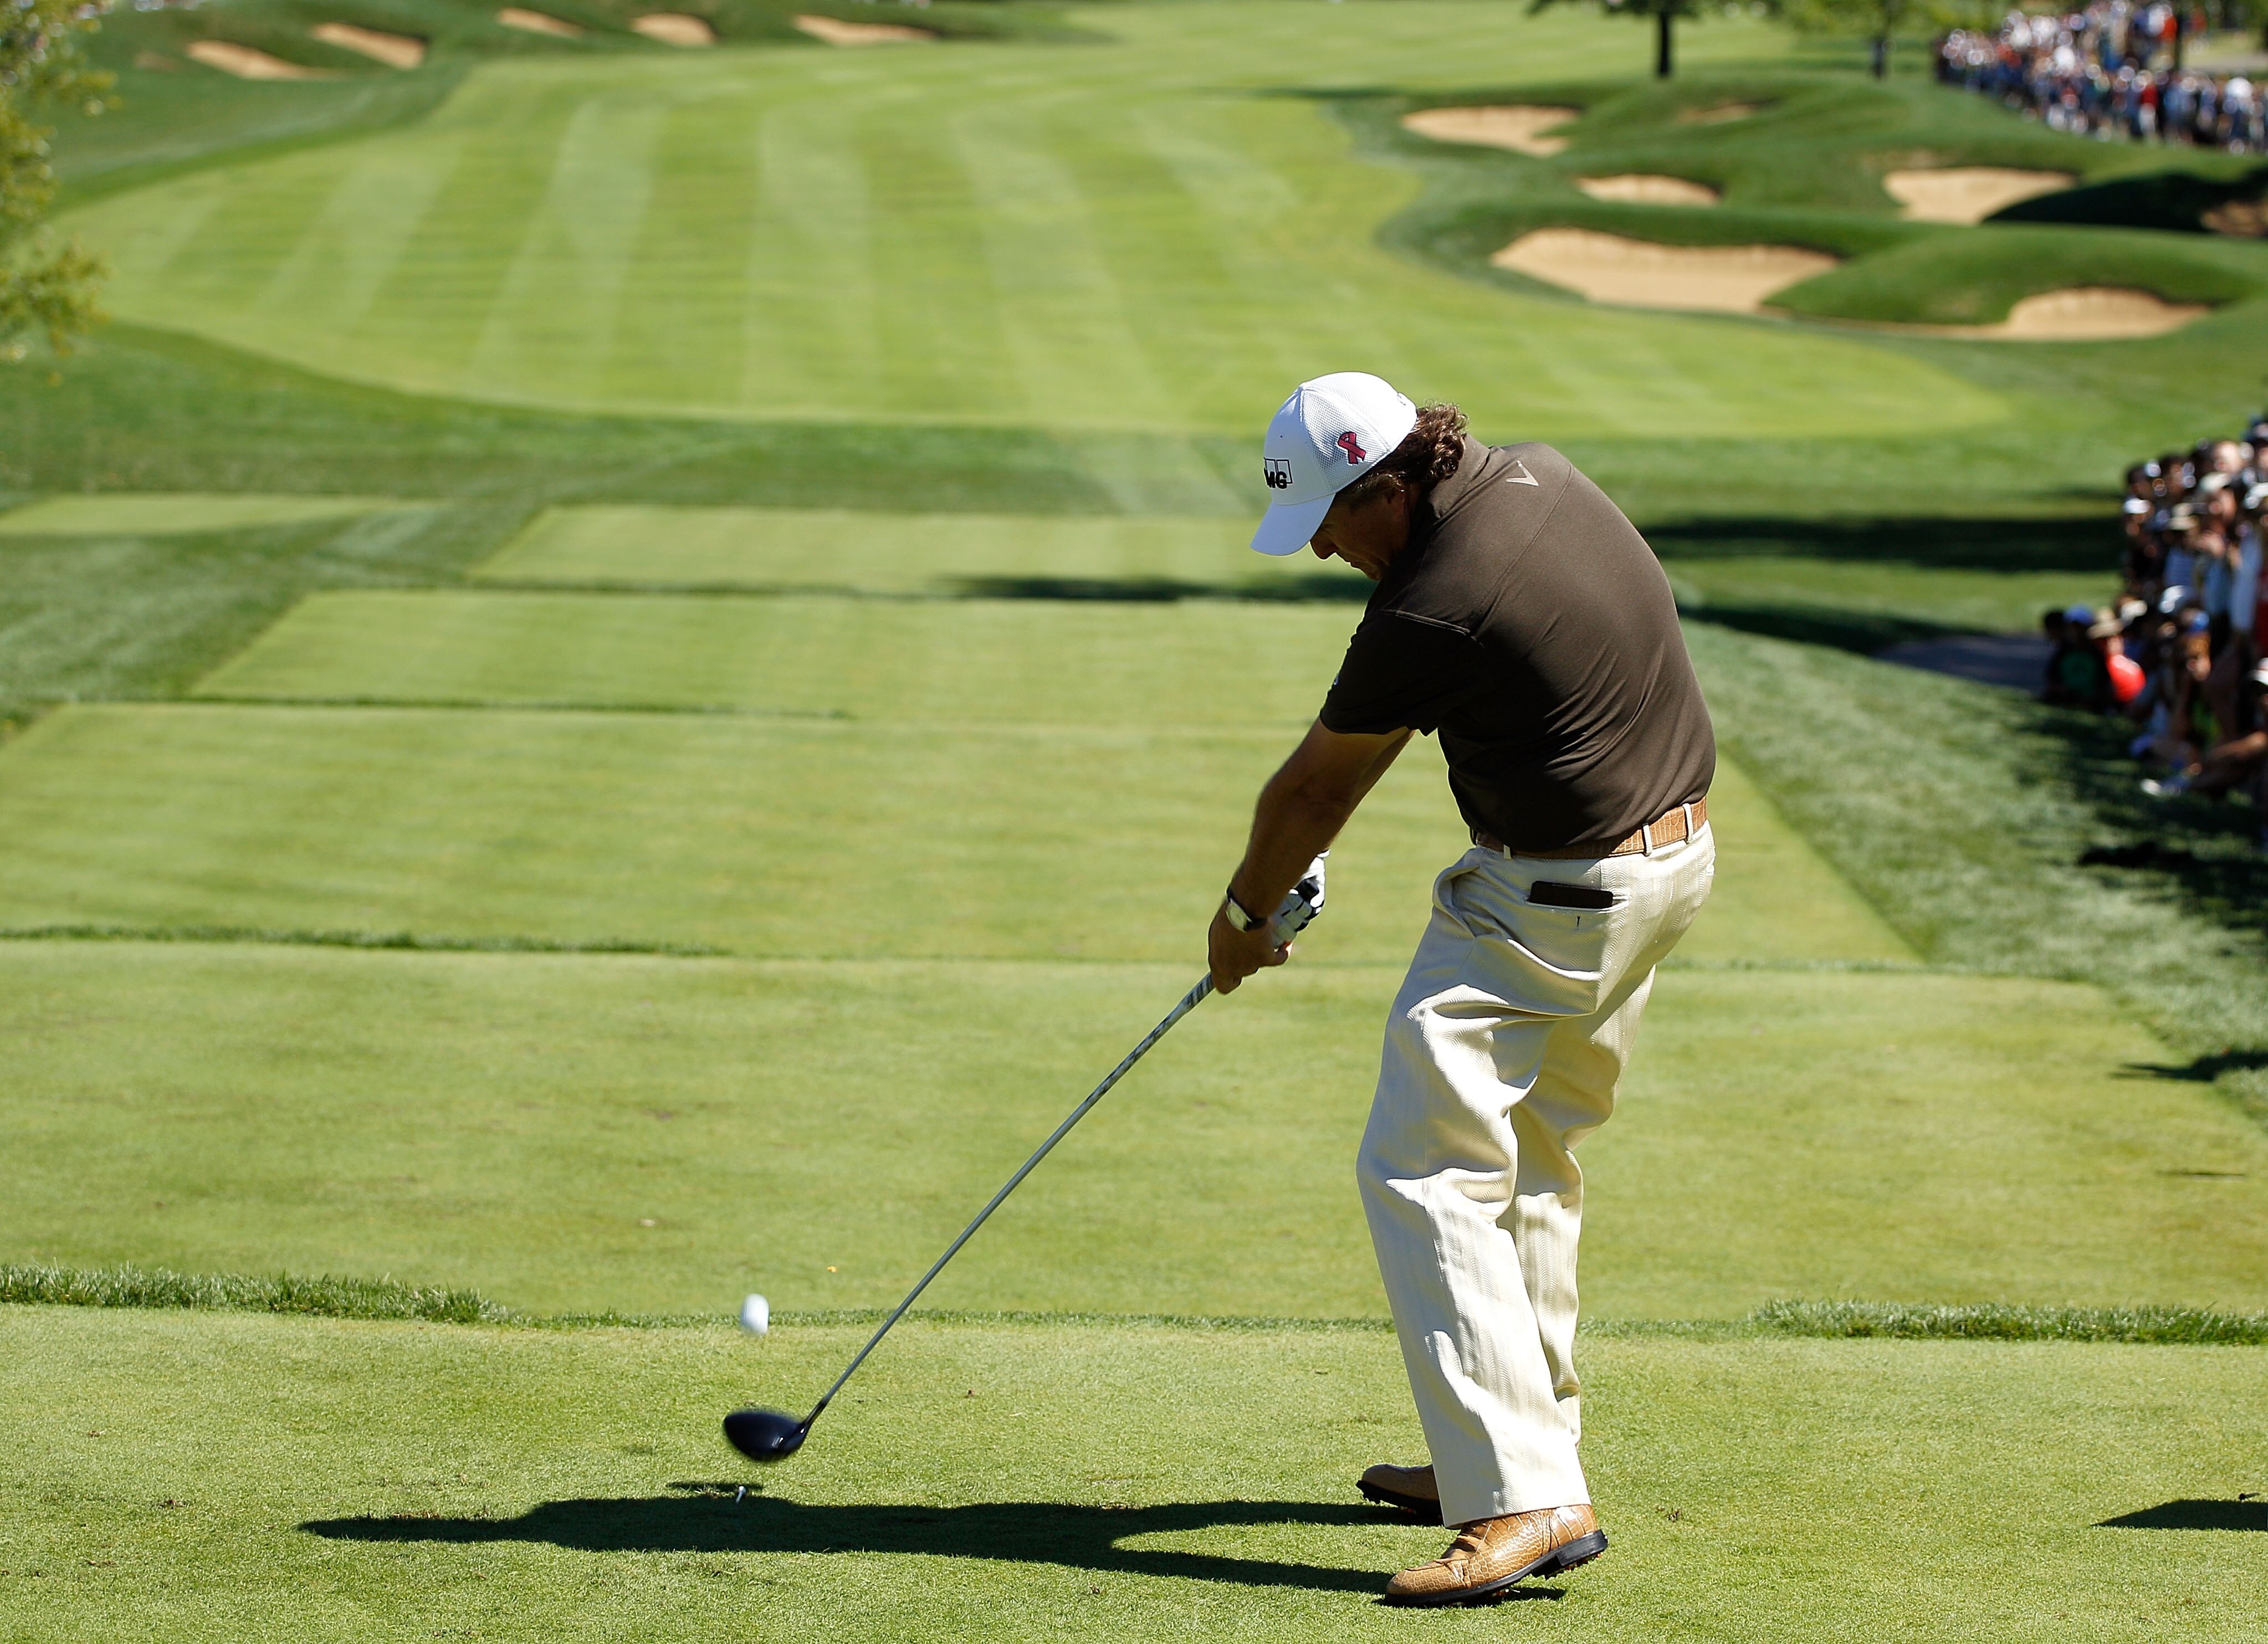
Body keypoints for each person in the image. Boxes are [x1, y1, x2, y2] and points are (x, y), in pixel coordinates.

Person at [1207, 372, 1716, 1606]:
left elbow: (1312, 793)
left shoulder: (1430, 601)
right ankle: (1513, 1448)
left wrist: (1241, 918)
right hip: (1670, 862)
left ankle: (1523, 1495)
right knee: (1529, 1160)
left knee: (1425, 1166)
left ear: (1388, 485)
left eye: (1332, 517)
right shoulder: (1537, 467)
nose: (1324, 545)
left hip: (1556, 898)